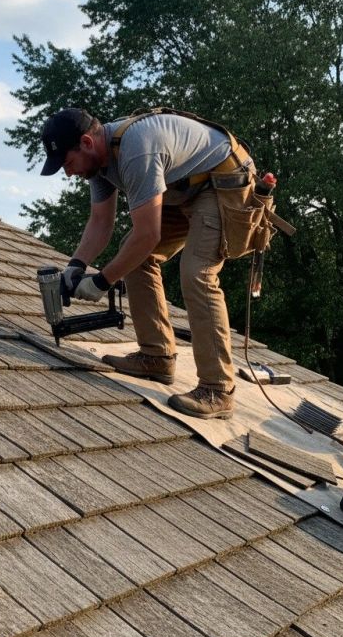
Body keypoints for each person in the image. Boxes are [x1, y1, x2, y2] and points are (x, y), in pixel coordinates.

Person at [40, 106, 254, 419]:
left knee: (197, 273)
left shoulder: (135, 151)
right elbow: (101, 221)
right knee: (135, 258)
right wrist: (76, 266)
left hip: (221, 182)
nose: (68, 173)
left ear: (86, 142)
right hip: (184, 188)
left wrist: (102, 281)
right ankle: (157, 356)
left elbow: (149, 234)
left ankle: (218, 389)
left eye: (68, 163)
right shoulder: (99, 164)